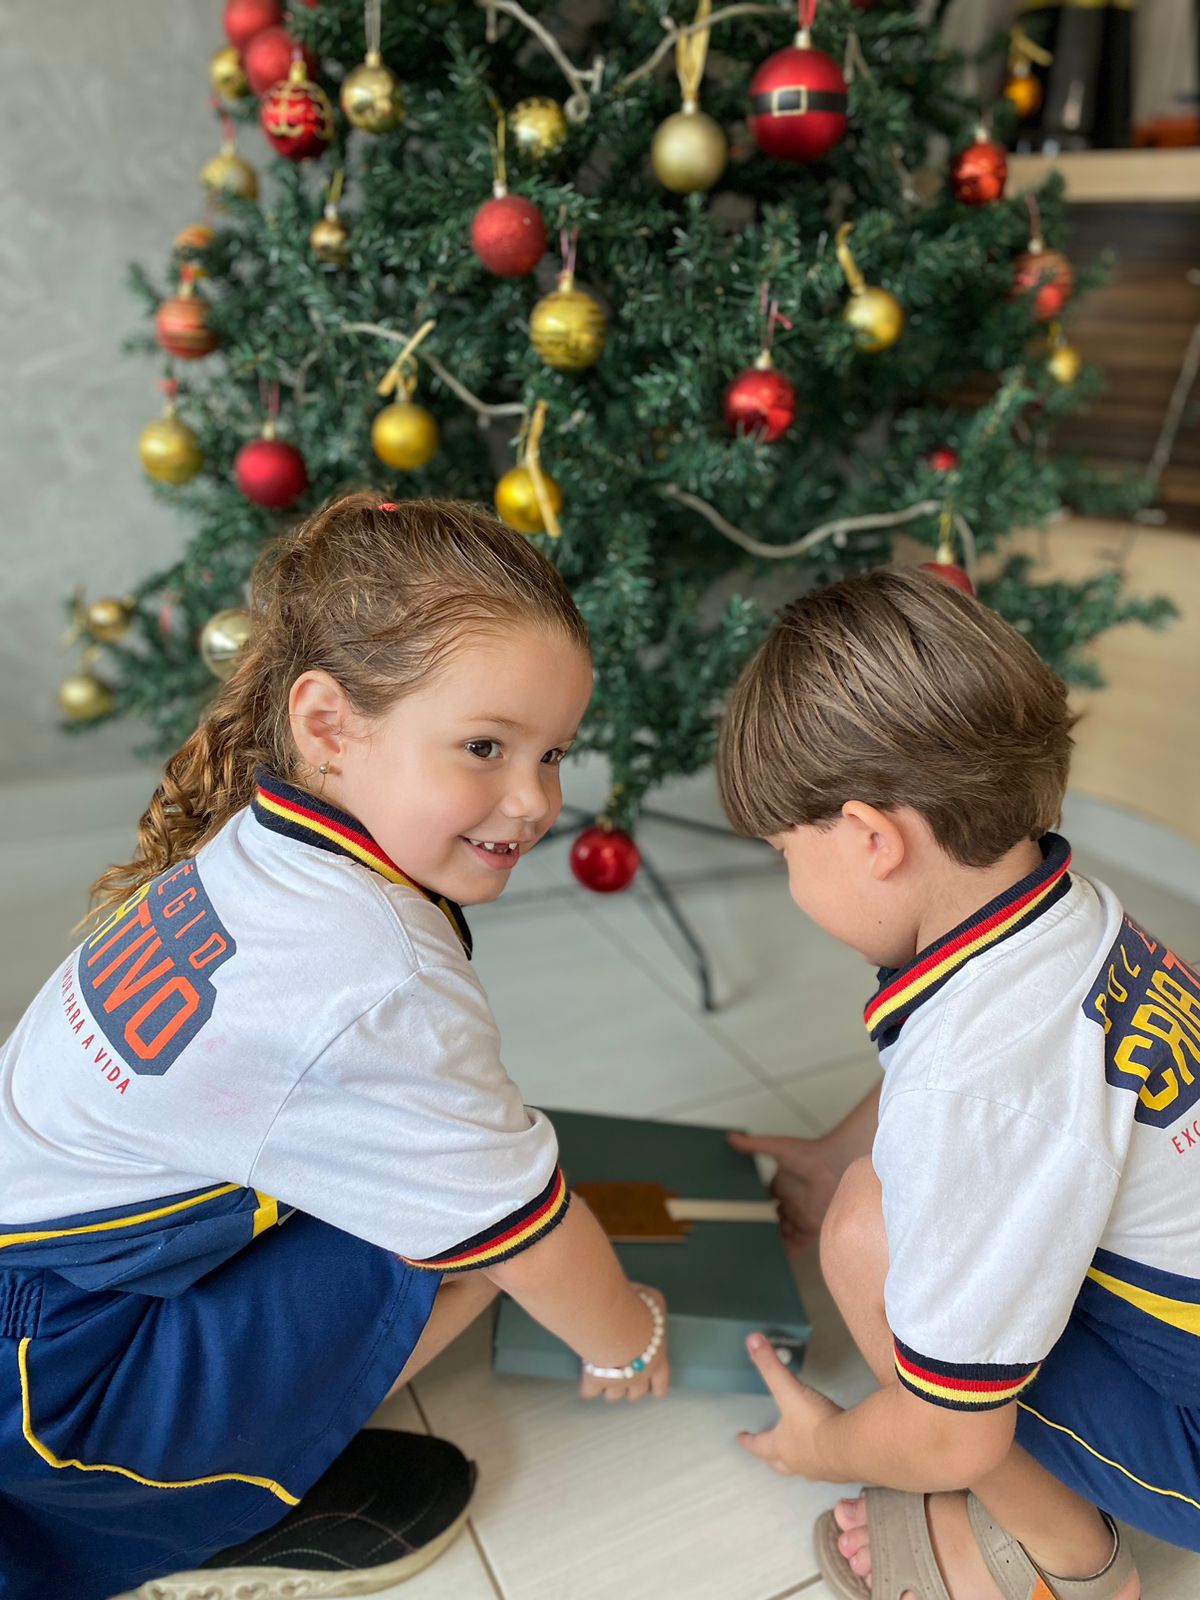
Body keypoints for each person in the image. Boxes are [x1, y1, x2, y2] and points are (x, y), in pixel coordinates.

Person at [0, 493, 668, 1600]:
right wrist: (626, 1340)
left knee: (445, 1170)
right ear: (326, 725)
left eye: (554, 753)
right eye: (484, 746)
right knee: (460, 1229)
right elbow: (532, 1231)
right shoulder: (376, 972)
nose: (534, 799)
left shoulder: (259, 844)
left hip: (43, 1305)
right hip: (48, 1389)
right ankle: (221, 1504)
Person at [716, 567, 1200, 1600]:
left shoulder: (972, 1079)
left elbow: (950, 1433)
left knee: (865, 1235)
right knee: (874, 1193)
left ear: (871, 840)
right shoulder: (1072, 912)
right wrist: (836, 1146)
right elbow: (1007, 1086)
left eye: (787, 857)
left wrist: (834, 1442)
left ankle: (1068, 1562)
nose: (794, 886)